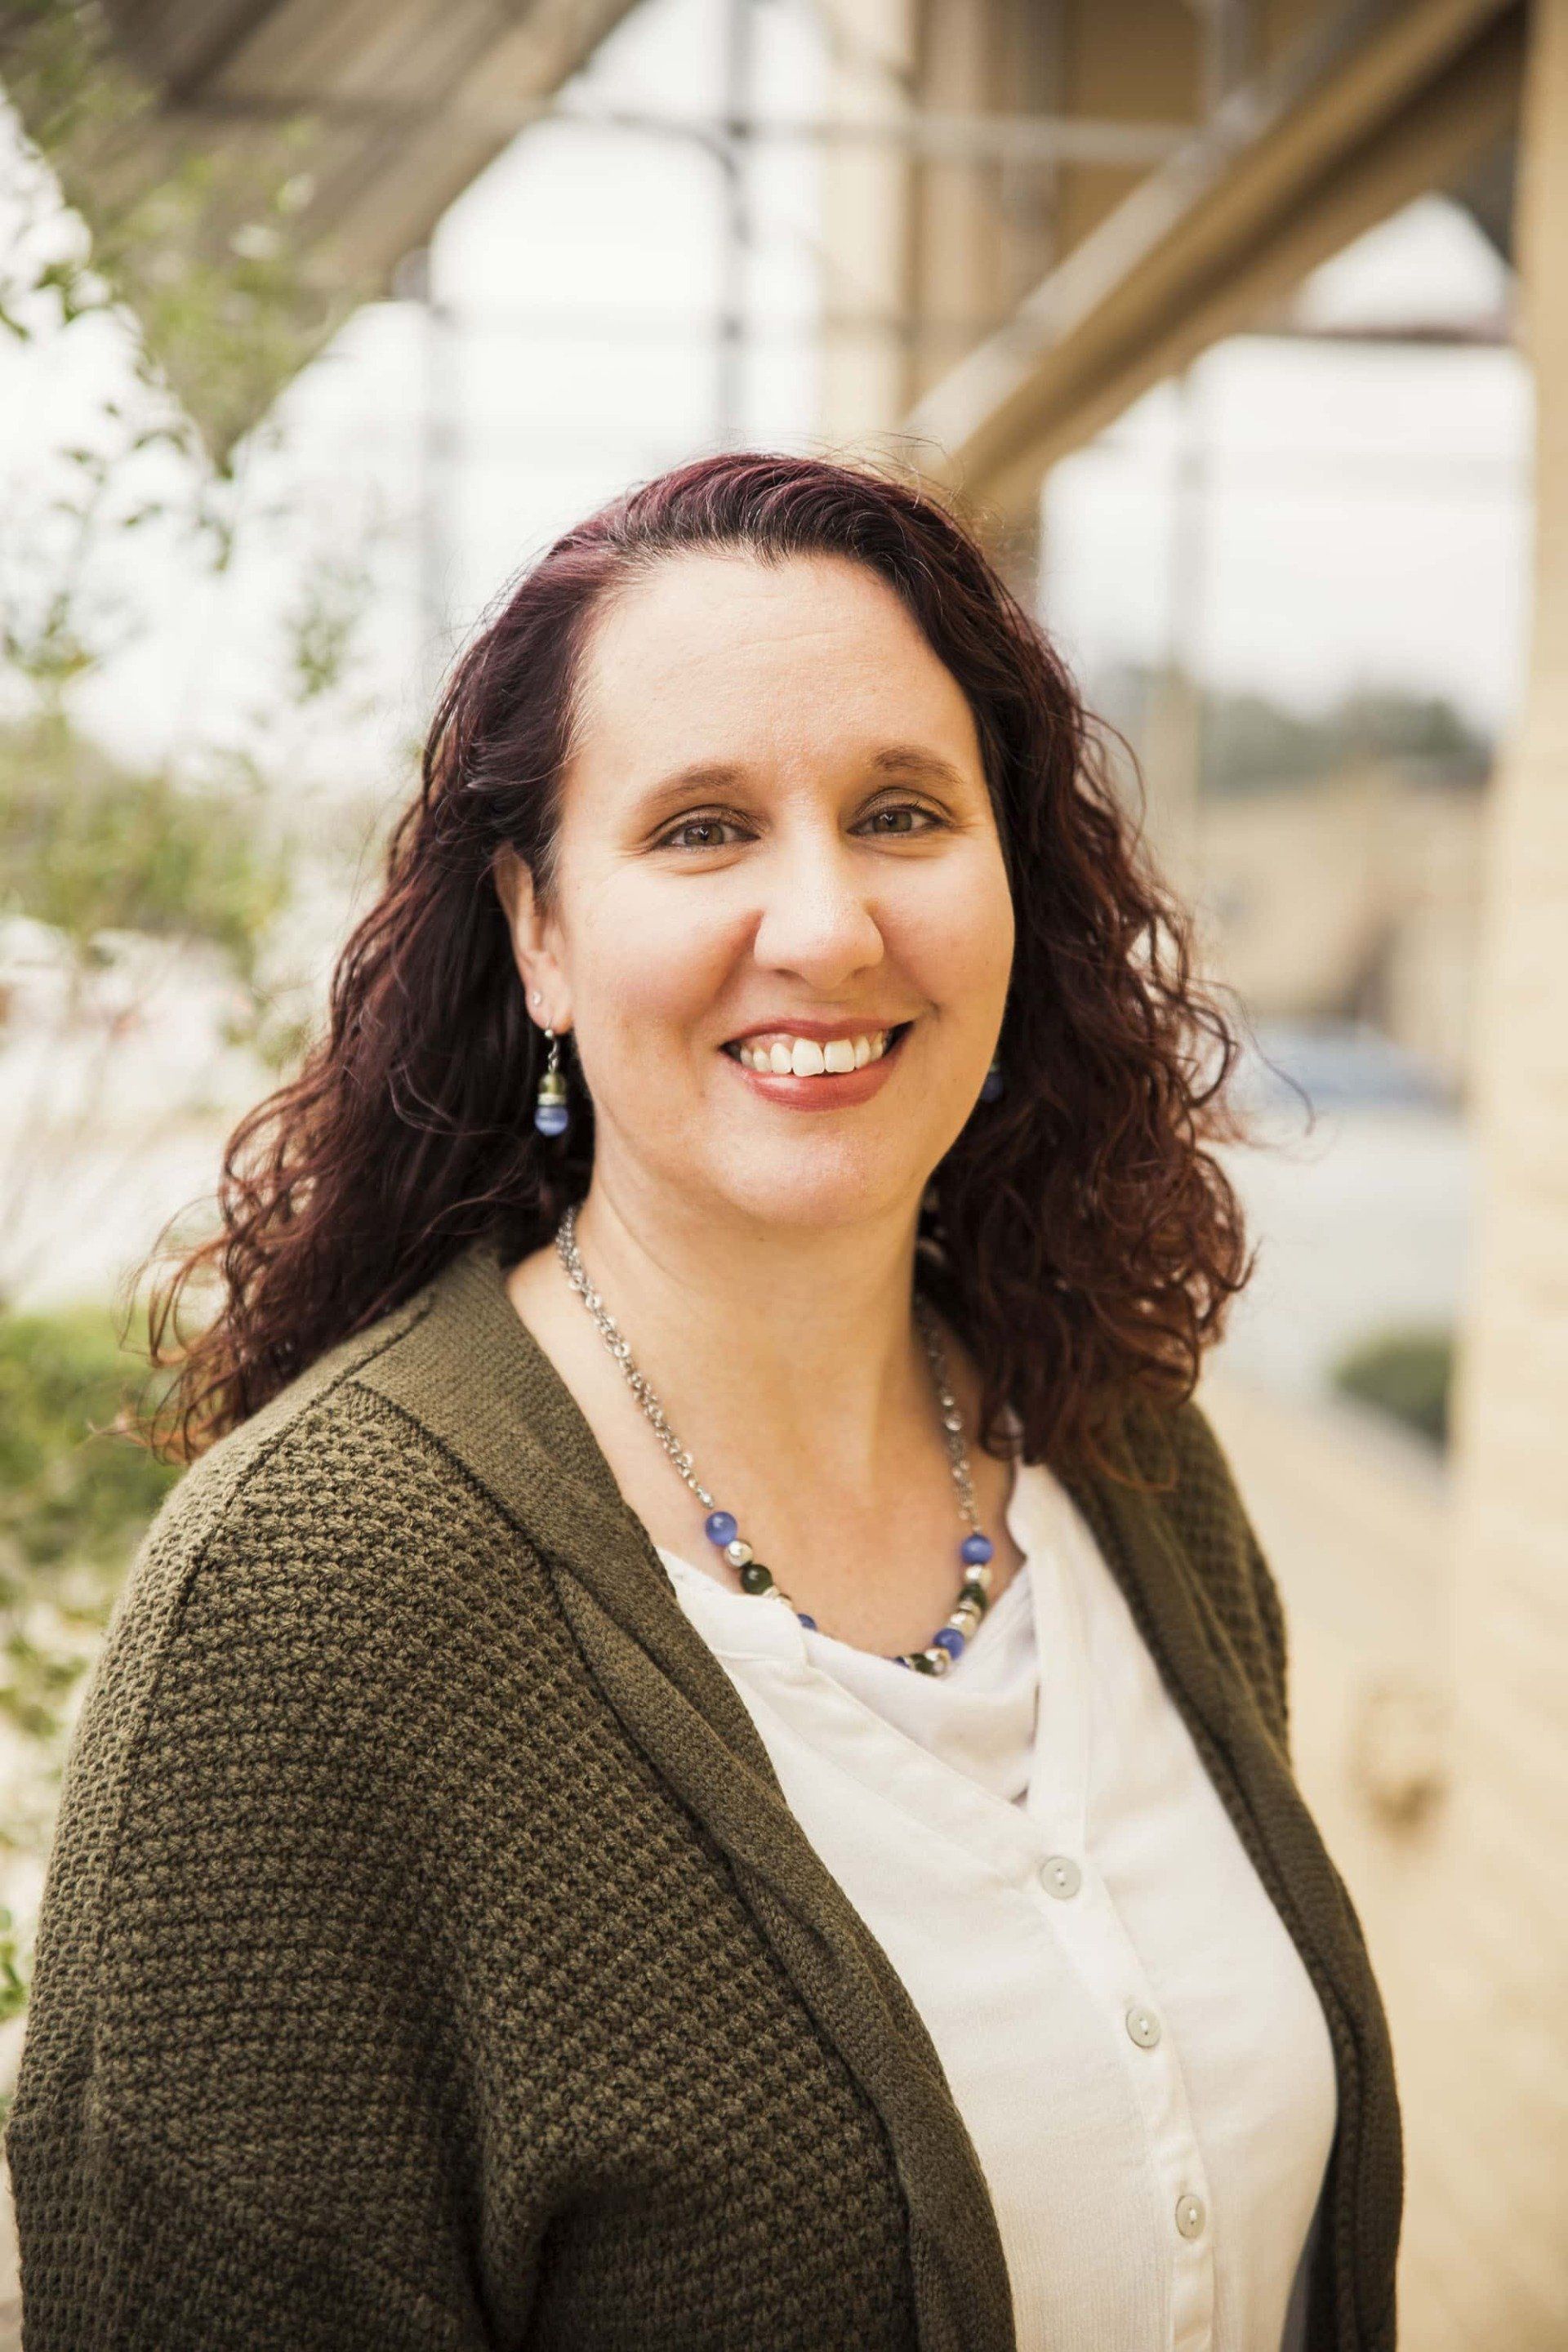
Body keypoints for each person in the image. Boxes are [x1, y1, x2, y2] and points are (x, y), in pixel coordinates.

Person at [5, 452, 1402, 2350]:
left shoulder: (1129, 1455)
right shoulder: (304, 1614)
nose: (825, 926)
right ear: (541, 933)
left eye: (904, 811)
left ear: (1017, 888)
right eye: (701, 830)